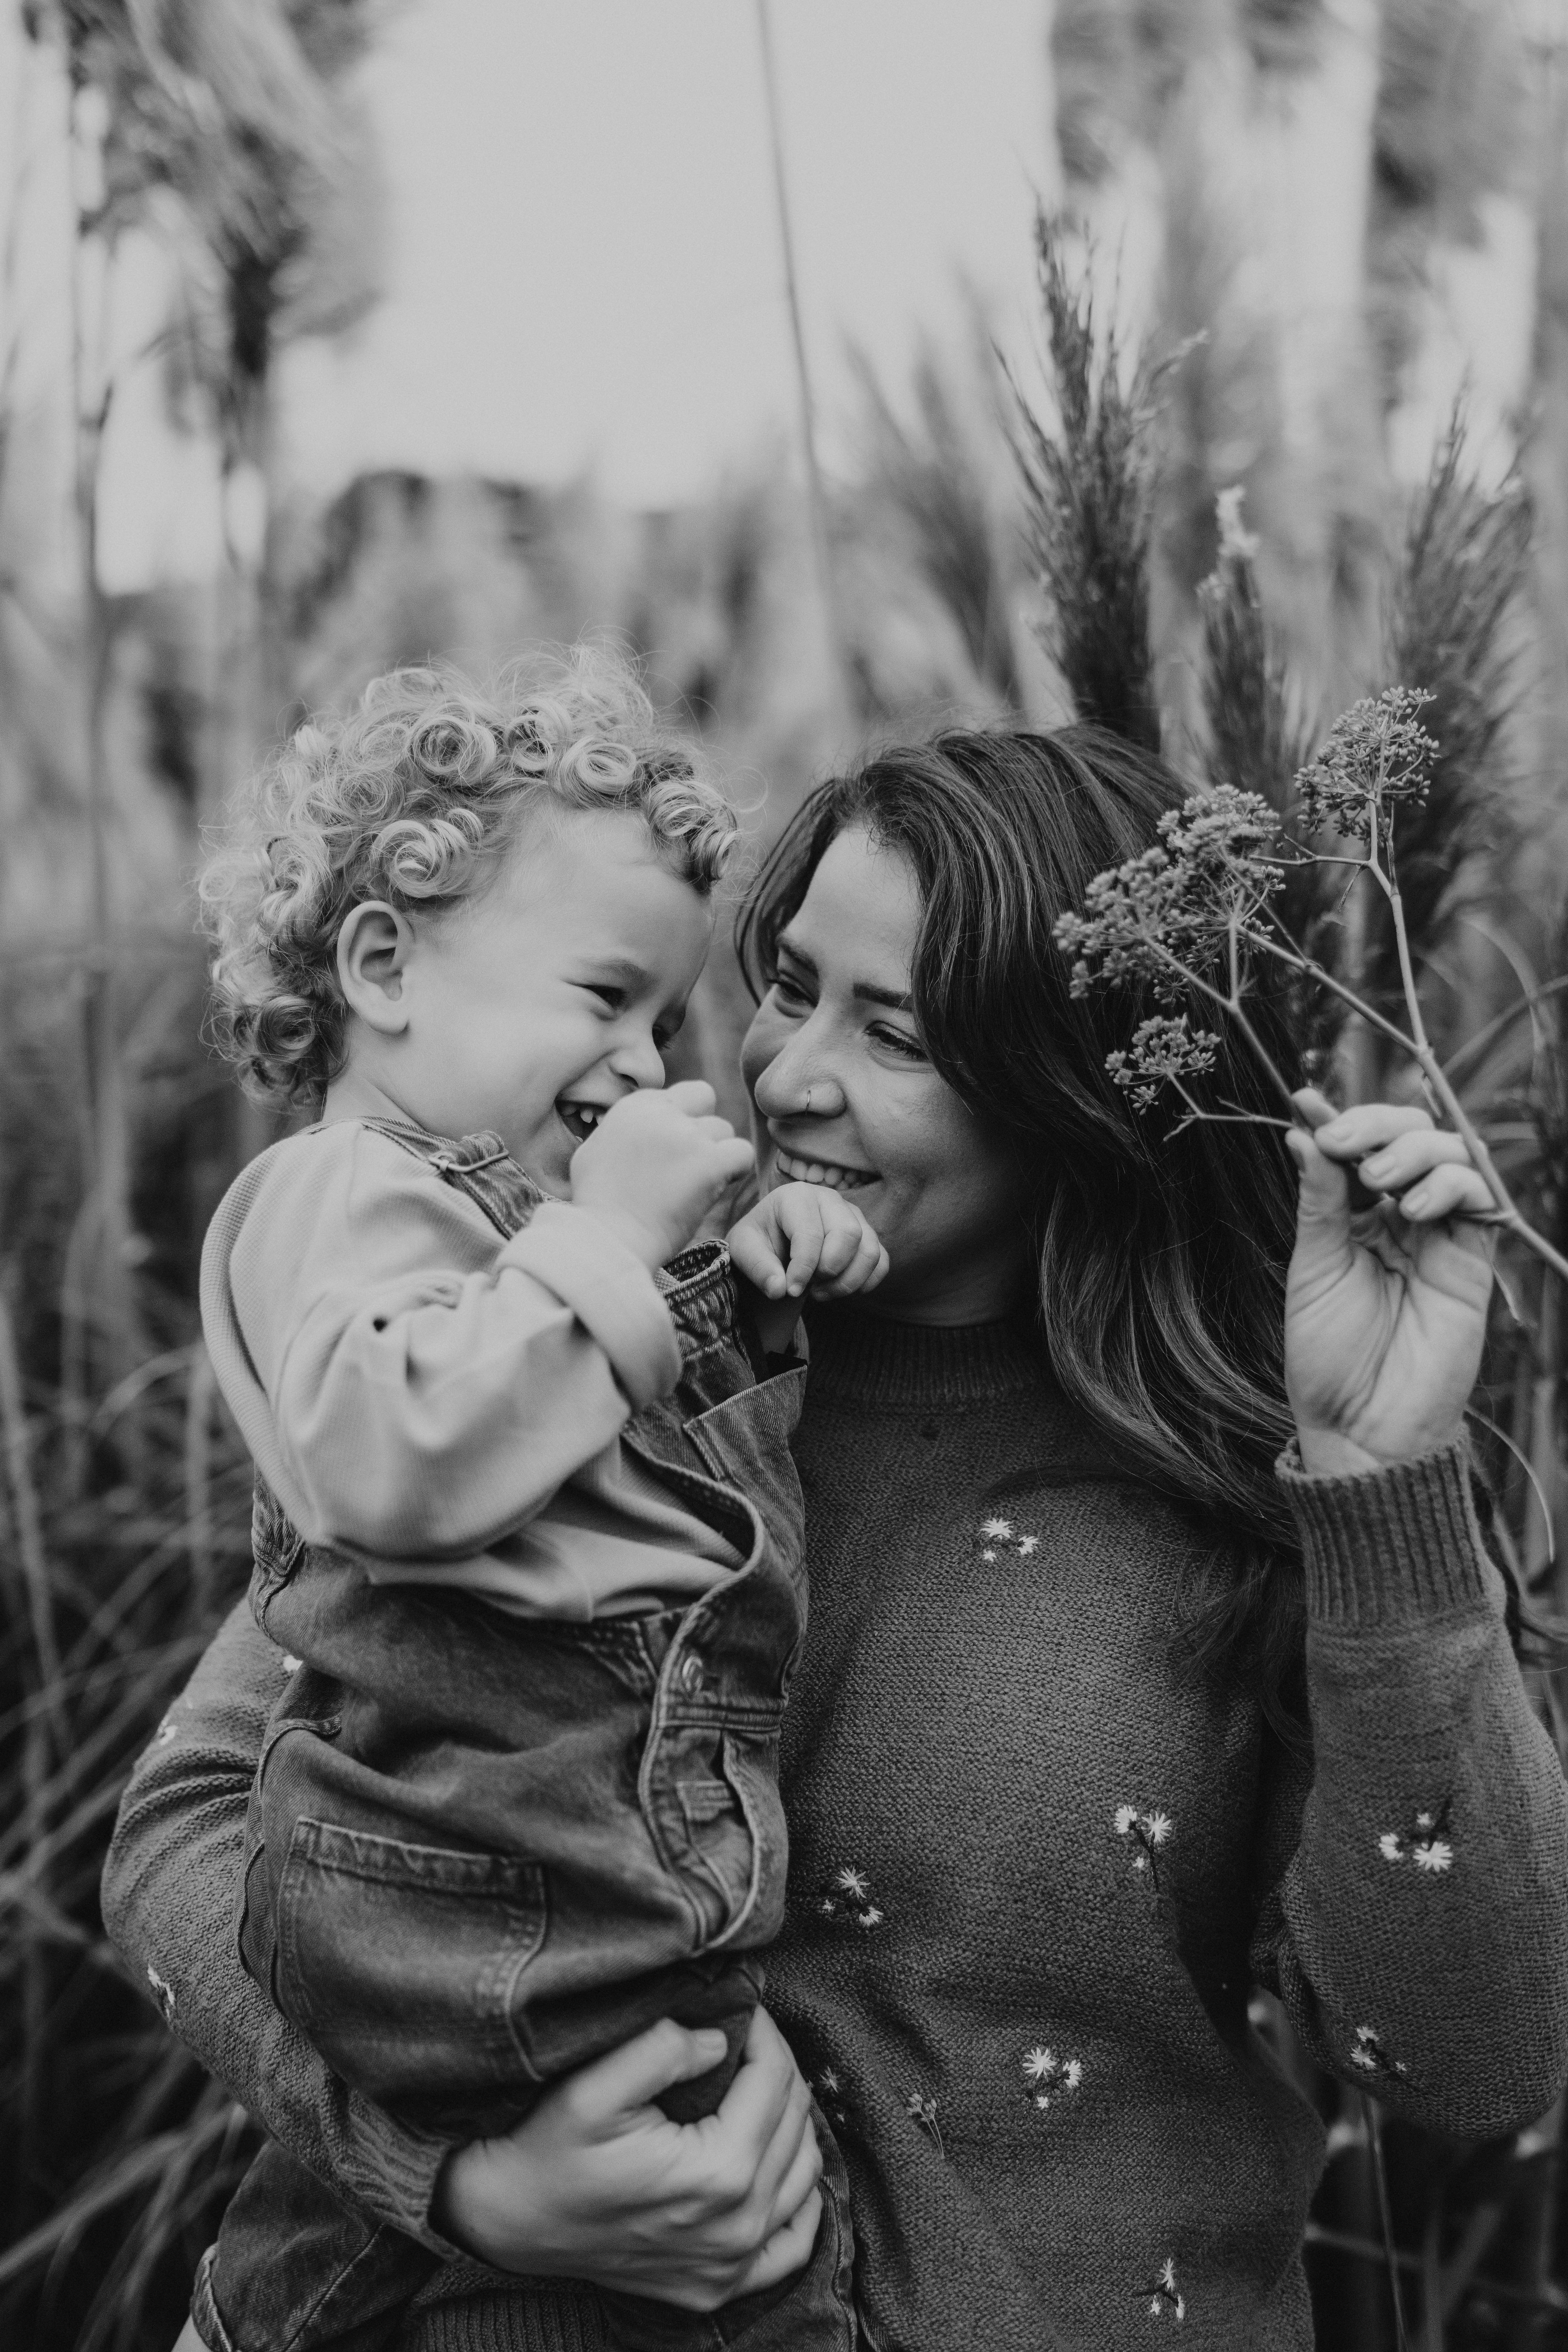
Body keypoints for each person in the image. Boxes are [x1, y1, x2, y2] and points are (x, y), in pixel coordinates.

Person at [107, 721, 1568, 2352]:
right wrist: (449, 2170)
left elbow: (1474, 2053)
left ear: (1072, 1086)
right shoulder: (576, 1350)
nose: (785, 1070)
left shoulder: (1252, 1482)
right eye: (789, 986)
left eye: (898, 1033)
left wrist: (1382, 1487)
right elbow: (182, 1824)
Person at [178, 652, 890, 2352]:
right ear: (383, 963)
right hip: (462, 1875)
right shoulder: (331, 1193)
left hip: (583, 1853)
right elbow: (399, 1459)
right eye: (601, 997)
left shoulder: (505, 1239)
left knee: (702, 2209)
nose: (638, 1065)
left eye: (660, 1020)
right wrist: (612, 1239)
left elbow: (598, 1437)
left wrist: (752, 1289)